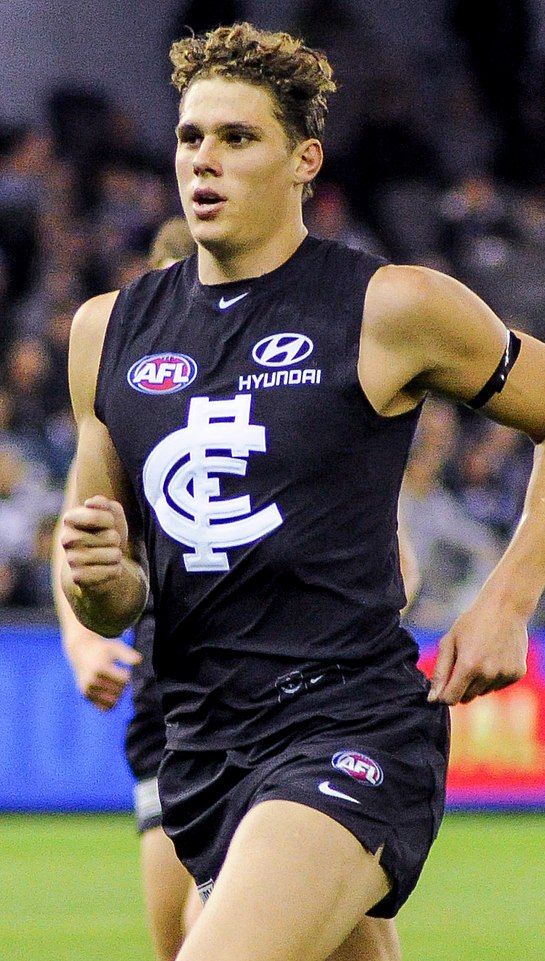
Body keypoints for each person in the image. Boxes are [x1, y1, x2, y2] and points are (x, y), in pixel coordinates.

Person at [59, 22, 545, 961]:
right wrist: (94, 587)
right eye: (191, 137)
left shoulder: (392, 306)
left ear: (302, 160)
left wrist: (505, 601)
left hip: (344, 723)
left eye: (238, 138)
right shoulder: (104, 332)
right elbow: (113, 586)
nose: (205, 159)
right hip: (198, 744)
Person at [53, 216, 202, 961]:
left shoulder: (290, 391)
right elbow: (80, 528)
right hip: (166, 683)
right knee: (177, 941)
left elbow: (395, 553)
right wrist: (83, 638)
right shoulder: (136, 384)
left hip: (280, 670)